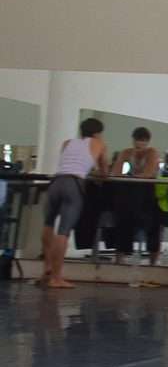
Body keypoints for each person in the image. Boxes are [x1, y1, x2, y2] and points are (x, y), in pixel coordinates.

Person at [40, 118, 108, 289]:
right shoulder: (98, 143)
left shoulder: (67, 143)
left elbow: (68, 161)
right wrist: (96, 172)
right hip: (73, 184)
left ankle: (47, 269)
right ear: (97, 133)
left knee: (48, 224)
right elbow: (104, 171)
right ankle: (56, 278)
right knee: (63, 232)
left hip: (56, 182)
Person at [110, 127, 161, 266]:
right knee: (122, 222)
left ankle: (153, 261)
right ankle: (119, 257)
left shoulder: (152, 152)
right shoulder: (126, 152)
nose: (140, 144)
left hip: (146, 194)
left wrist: (132, 176)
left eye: (143, 141)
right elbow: (115, 172)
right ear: (133, 140)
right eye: (138, 140)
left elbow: (149, 173)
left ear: (148, 141)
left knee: (153, 225)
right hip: (129, 193)